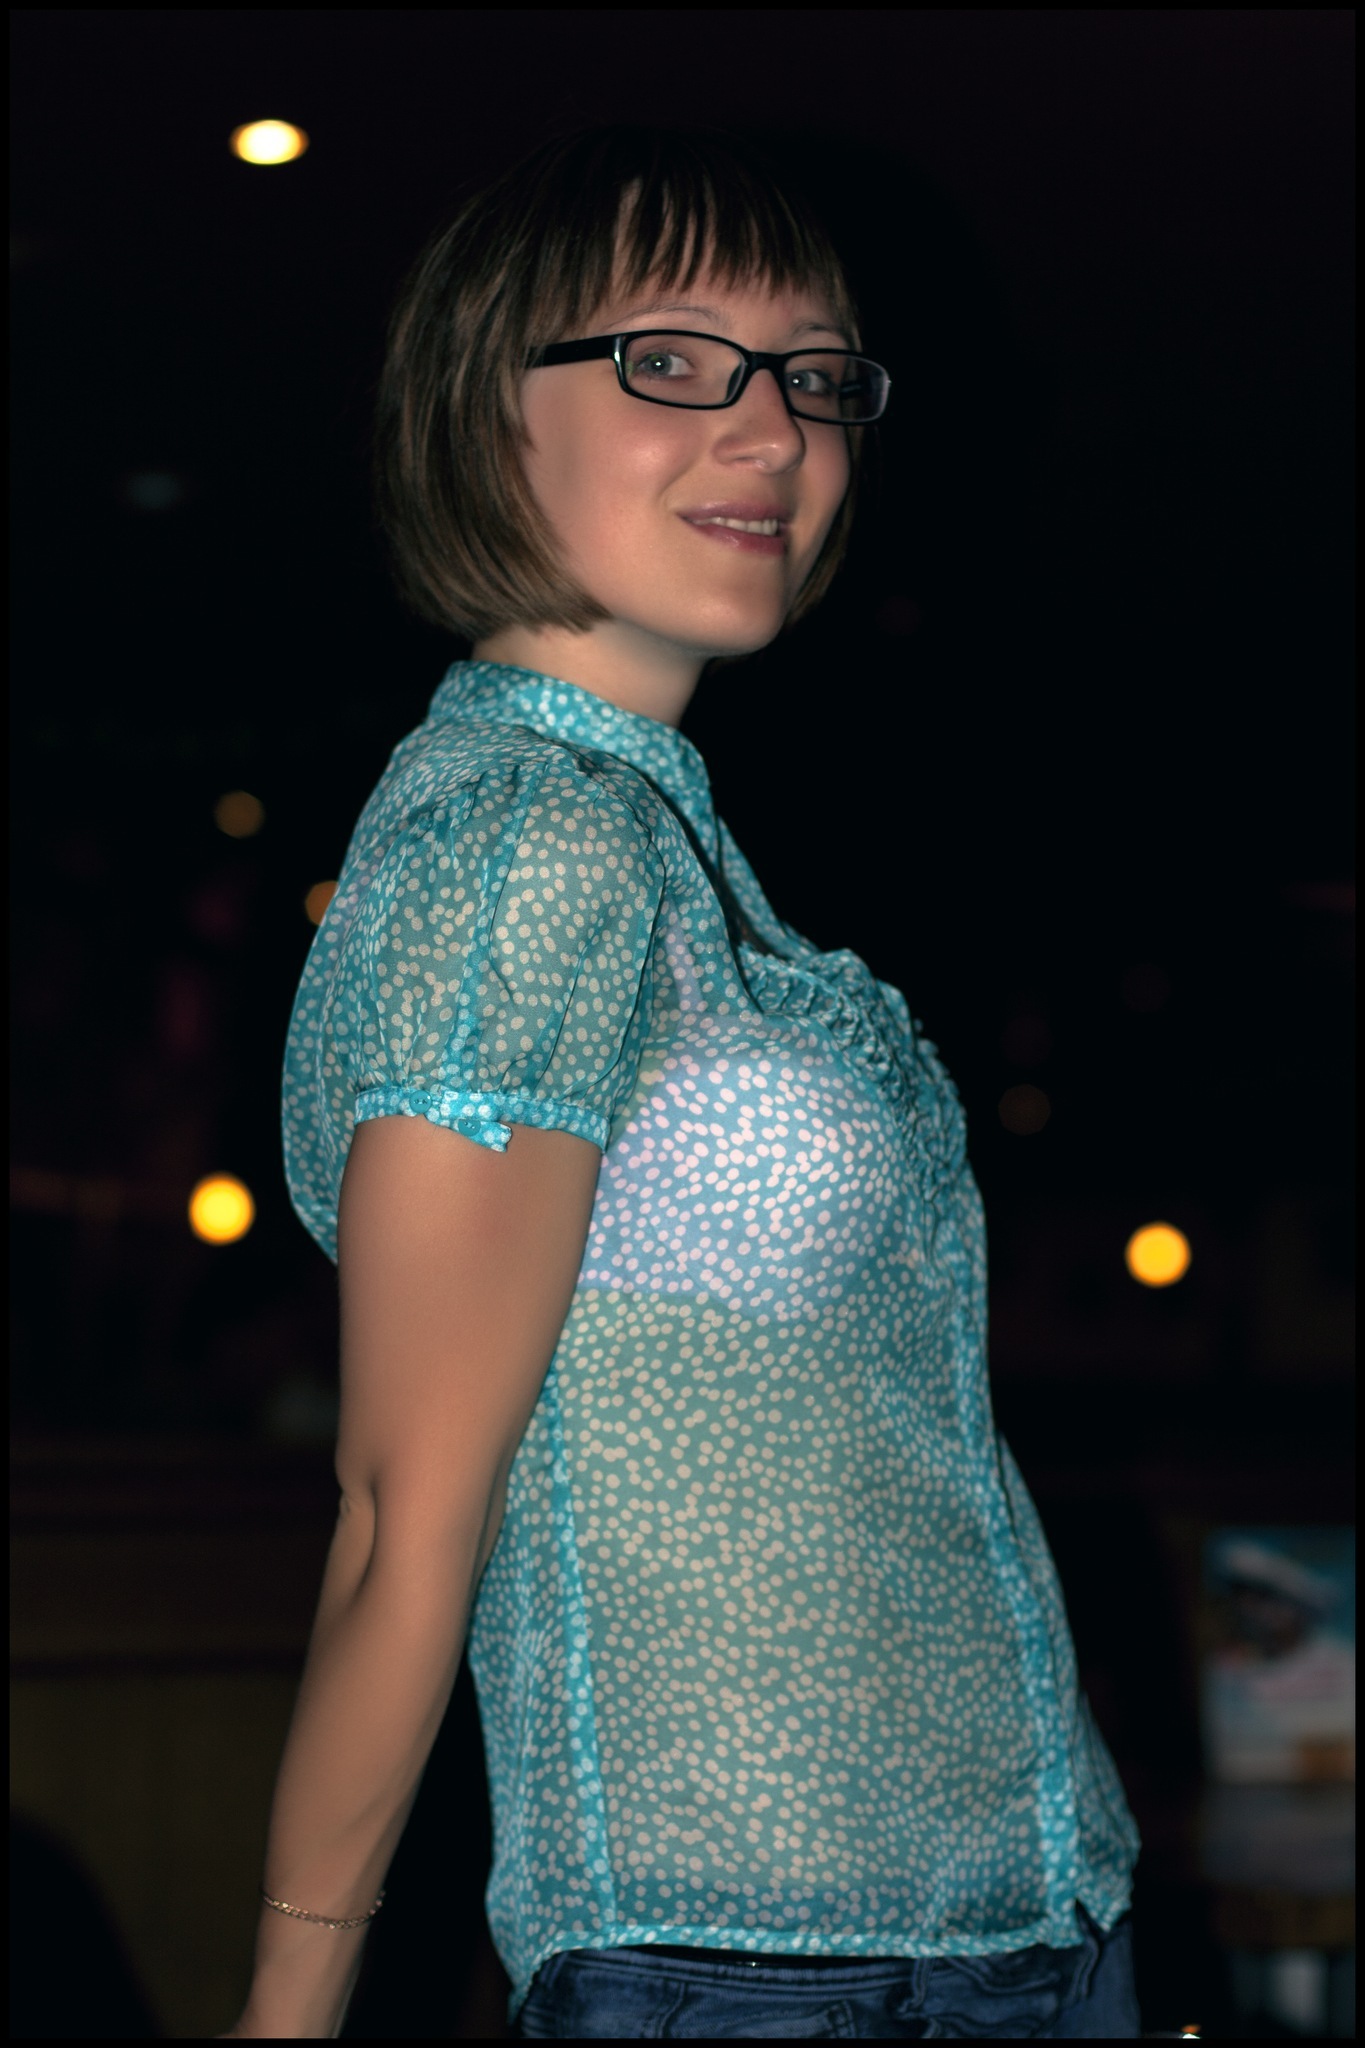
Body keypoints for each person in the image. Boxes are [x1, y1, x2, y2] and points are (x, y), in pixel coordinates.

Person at [223, 123, 1143, 2039]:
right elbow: (404, 1508)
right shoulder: (523, 844)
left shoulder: (649, 840)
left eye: (811, 376)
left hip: (1006, 1915)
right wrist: (288, 2009)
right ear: (486, 410)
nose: (770, 428)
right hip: (745, 1956)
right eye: (670, 361)